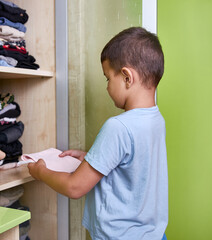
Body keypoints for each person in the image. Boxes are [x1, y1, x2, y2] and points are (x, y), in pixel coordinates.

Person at [27, 27, 168, 240]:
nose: (107, 87)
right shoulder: (156, 119)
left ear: (127, 77)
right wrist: (90, 157)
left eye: (107, 78)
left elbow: (74, 187)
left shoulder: (118, 127)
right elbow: (133, 167)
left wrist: (41, 172)